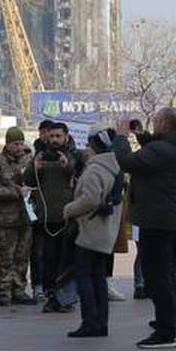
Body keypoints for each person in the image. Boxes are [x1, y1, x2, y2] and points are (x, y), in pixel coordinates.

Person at [111, 108, 176, 350]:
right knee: (166, 275)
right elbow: (155, 148)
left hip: (157, 220)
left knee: (157, 278)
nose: (154, 124)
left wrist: (120, 136)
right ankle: (166, 322)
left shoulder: (163, 150)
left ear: (165, 124)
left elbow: (128, 162)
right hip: (171, 219)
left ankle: (165, 332)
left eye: (157, 121)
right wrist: (141, 135)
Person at [63, 128, 125, 338]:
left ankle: (90, 322)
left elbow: (90, 199)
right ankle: (101, 322)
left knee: (85, 277)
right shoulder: (115, 168)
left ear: (93, 146)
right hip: (105, 231)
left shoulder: (95, 170)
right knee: (99, 278)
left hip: (90, 231)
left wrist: (69, 209)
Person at [0, 127, 36, 307]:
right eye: (15, 144)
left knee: (22, 256)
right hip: (5, 219)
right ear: (8, 144)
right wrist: (16, 192)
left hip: (26, 217)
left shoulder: (30, 160)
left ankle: (19, 289)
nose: (19, 147)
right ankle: (4, 291)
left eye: (21, 143)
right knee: (6, 257)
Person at [30, 122, 79, 314]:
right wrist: (35, 167)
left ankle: (67, 298)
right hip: (47, 218)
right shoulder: (40, 156)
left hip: (68, 217)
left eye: (58, 136)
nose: (55, 140)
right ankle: (51, 296)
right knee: (48, 259)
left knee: (67, 260)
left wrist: (68, 167)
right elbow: (28, 180)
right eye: (51, 136)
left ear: (66, 137)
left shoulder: (75, 156)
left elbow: (80, 177)